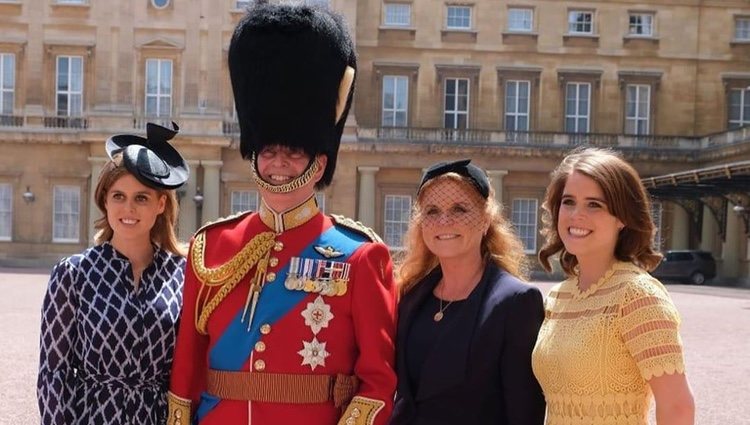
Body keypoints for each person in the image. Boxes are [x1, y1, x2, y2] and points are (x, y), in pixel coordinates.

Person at [166, 3, 397, 425]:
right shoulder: (211, 246)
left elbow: (378, 380)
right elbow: (188, 362)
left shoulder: (360, 256)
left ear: (320, 163)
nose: (278, 163)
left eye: (293, 151)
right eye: (268, 150)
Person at [36, 122, 190, 424]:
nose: (128, 208)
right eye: (118, 196)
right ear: (105, 201)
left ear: (161, 204)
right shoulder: (72, 275)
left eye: (141, 198)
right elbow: (54, 373)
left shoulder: (183, 275)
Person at [533, 147, 695, 425]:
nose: (576, 215)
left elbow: (677, 407)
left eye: (594, 204)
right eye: (568, 201)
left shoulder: (638, 296)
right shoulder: (558, 297)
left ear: (622, 217)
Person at [390, 159, 546, 425]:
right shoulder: (409, 294)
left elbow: (524, 413)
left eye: (460, 209)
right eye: (432, 211)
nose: (444, 221)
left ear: (485, 221)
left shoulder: (517, 302)